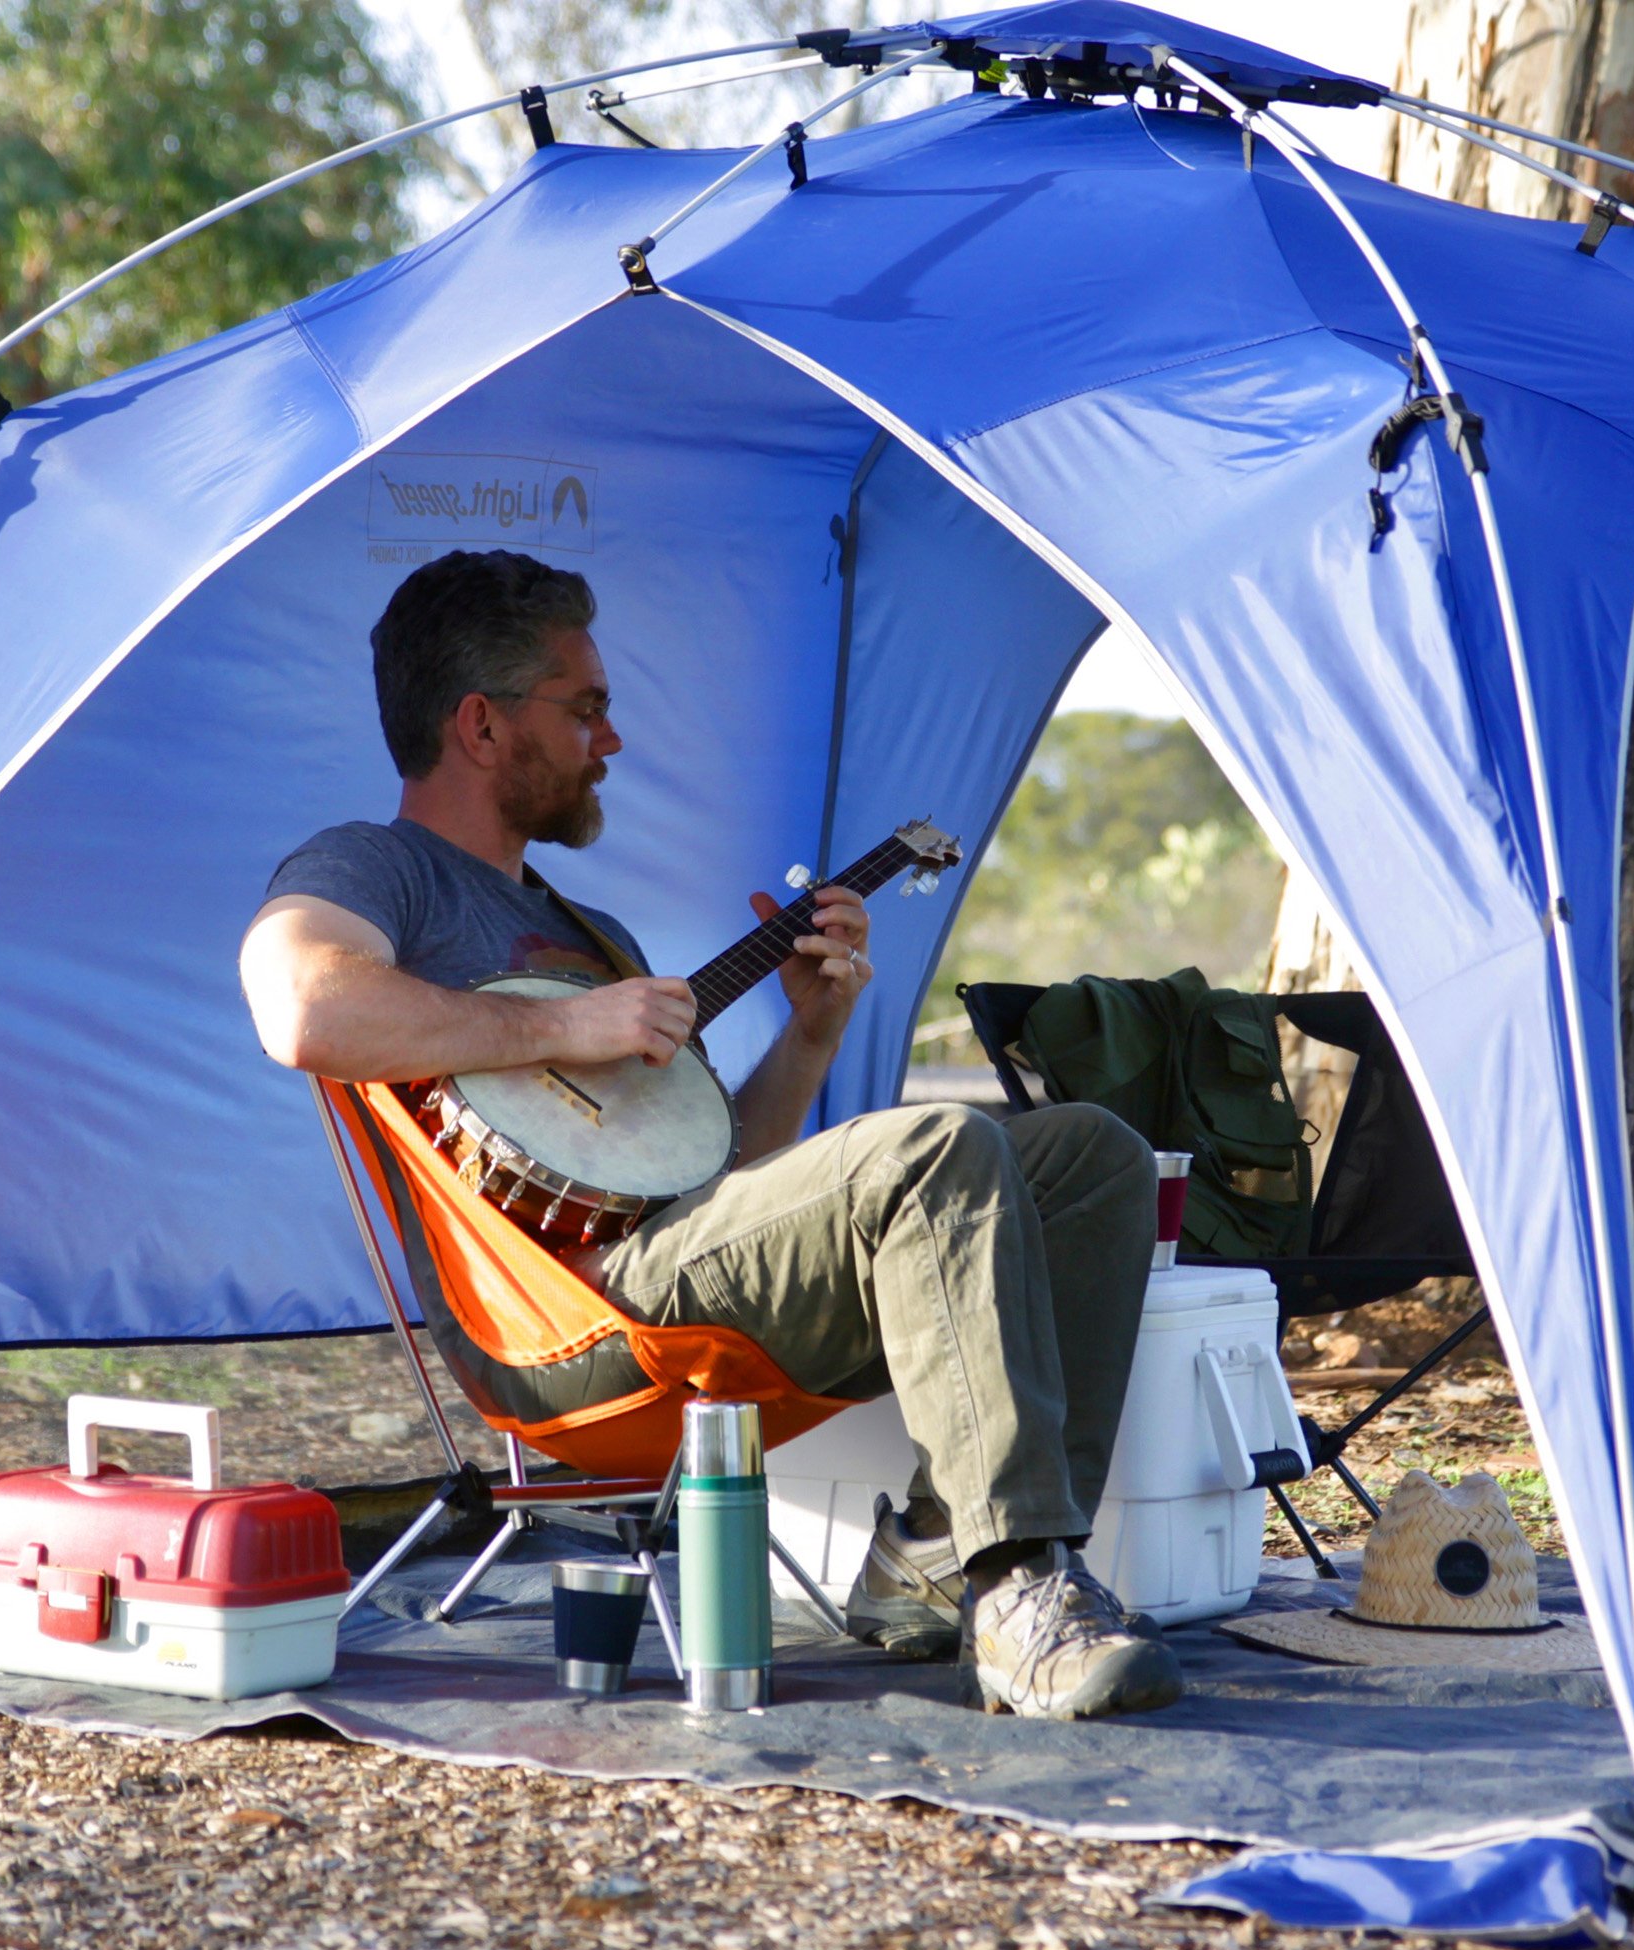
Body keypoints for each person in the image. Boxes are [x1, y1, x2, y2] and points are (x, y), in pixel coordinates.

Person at [239, 548, 1180, 1721]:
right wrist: (576, 1021)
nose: (612, 740)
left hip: (675, 1263)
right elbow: (300, 1006)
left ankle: (947, 1552)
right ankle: (1017, 1591)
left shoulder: (592, 928)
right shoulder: (376, 868)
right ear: (479, 725)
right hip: (564, 1317)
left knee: (1092, 1153)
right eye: (585, 708)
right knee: (937, 1146)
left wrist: (809, 1032)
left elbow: (720, 1174)